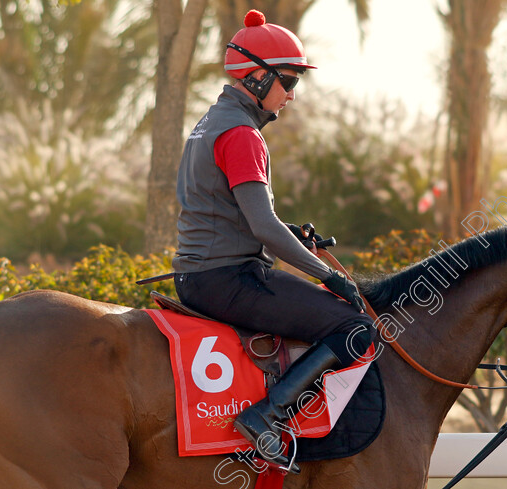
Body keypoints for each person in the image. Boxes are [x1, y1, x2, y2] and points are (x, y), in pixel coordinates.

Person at [172, 9, 373, 472]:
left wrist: (293, 237)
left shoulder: (211, 122)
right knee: (354, 327)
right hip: (228, 278)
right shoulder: (242, 134)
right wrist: (329, 277)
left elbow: (235, 214)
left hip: (201, 273)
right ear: (257, 78)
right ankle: (266, 415)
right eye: (289, 82)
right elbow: (263, 227)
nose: (292, 95)